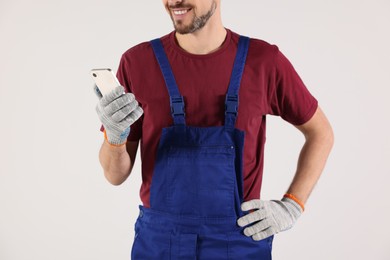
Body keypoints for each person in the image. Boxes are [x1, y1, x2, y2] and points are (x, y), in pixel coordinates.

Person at [95, 0, 334, 258]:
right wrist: (115, 137)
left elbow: (321, 133)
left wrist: (292, 205)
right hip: (160, 242)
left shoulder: (264, 61)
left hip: (239, 240)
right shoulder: (138, 62)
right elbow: (114, 175)